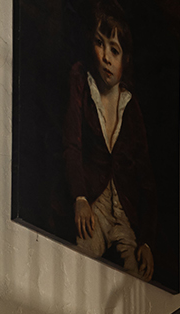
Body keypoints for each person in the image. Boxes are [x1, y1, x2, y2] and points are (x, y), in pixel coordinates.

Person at [62, 4, 156, 282]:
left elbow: (146, 179)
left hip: (124, 209)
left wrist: (148, 242)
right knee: (81, 264)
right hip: (95, 201)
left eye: (114, 50)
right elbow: (72, 143)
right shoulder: (82, 80)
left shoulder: (130, 105)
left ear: (125, 60)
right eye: (99, 44)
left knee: (139, 280)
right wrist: (80, 197)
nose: (105, 57)